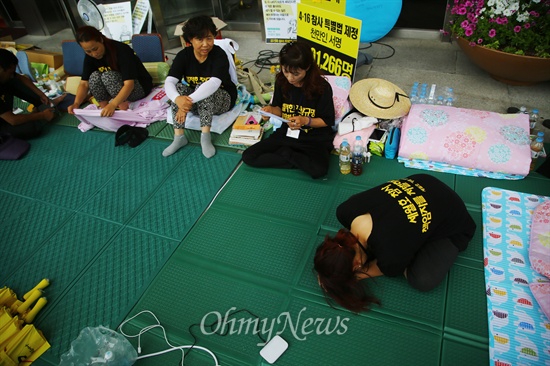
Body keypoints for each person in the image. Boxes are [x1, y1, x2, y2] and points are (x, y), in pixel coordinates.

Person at [314, 174, 476, 313]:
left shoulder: (389, 253)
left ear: (357, 264)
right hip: (424, 182)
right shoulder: (345, 210)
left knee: (422, 280)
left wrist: (350, 278)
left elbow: (382, 267)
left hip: (454, 221)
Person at [242, 41, 335, 179]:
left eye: (296, 74)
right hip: (287, 134)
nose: (290, 78)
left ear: (307, 67)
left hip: (314, 138)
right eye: (286, 71)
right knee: (248, 156)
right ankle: (295, 157)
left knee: (319, 170)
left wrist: (305, 120)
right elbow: (279, 109)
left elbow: (327, 121)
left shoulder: (322, 87)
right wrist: (270, 111)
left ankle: (287, 154)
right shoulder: (281, 81)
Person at [162, 15, 237, 159]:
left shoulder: (219, 55)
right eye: (199, 39)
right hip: (195, 102)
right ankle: (179, 137)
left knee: (204, 88)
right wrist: (178, 99)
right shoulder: (184, 56)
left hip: (222, 99)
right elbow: (170, 81)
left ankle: (205, 137)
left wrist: (185, 102)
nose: (205, 44)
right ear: (190, 40)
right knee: (178, 89)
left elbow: (213, 84)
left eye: (209, 38)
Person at [67, 26, 153, 117]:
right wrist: (76, 103)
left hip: (139, 87)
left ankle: (125, 111)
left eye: (95, 49)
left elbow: (129, 84)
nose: (94, 54)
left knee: (108, 76)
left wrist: (113, 105)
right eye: (88, 51)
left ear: (101, 40)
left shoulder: (121, 50)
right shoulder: (90, 57)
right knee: (94, 76)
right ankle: (104, 110)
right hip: (116, 92)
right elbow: (84, 83)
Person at [0, 48, 65, 139]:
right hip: (3, 124)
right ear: (1, 69)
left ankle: (44, 105)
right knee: (32, 128)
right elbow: (13, 120)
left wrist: (41, 95)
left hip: (6, 115)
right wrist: (42, 116)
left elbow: (22, 78)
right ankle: (43, 113)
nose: (12, 75)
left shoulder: (4, 74)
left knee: (14, 81)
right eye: (10, 72)